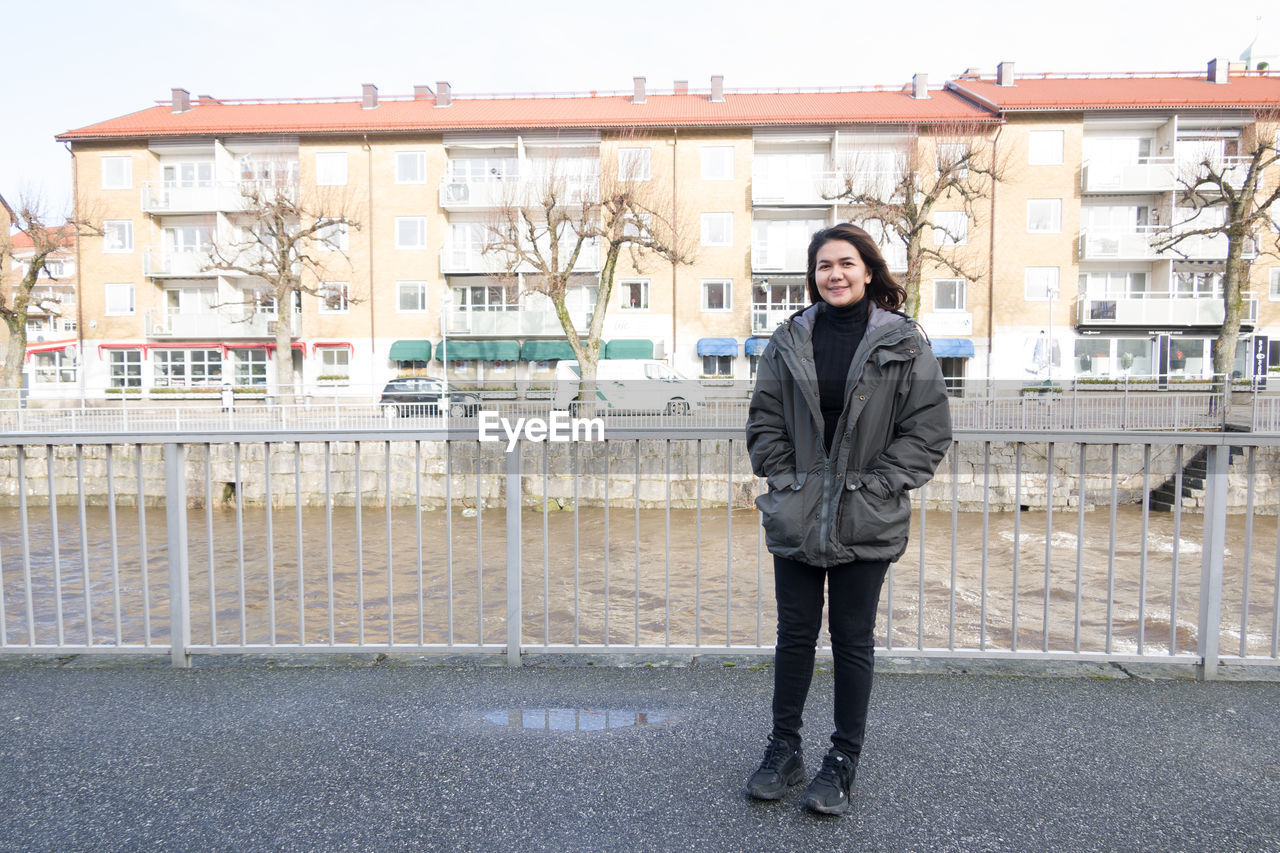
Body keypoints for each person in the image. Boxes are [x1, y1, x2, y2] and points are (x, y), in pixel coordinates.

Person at [744, 222, 952, 815]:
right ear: (813, 276)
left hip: (867, 514)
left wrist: (881, 485)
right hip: (799, 510)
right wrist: (787, 478)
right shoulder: (788, 340)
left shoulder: (904, 342)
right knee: (794, 636)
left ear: (868, 270)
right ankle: (784, 749)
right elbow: (764, 421)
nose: (834, 274)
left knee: (853, 640)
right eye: (823, 266)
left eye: (845, 263)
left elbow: (928, 429)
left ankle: (843, 759)